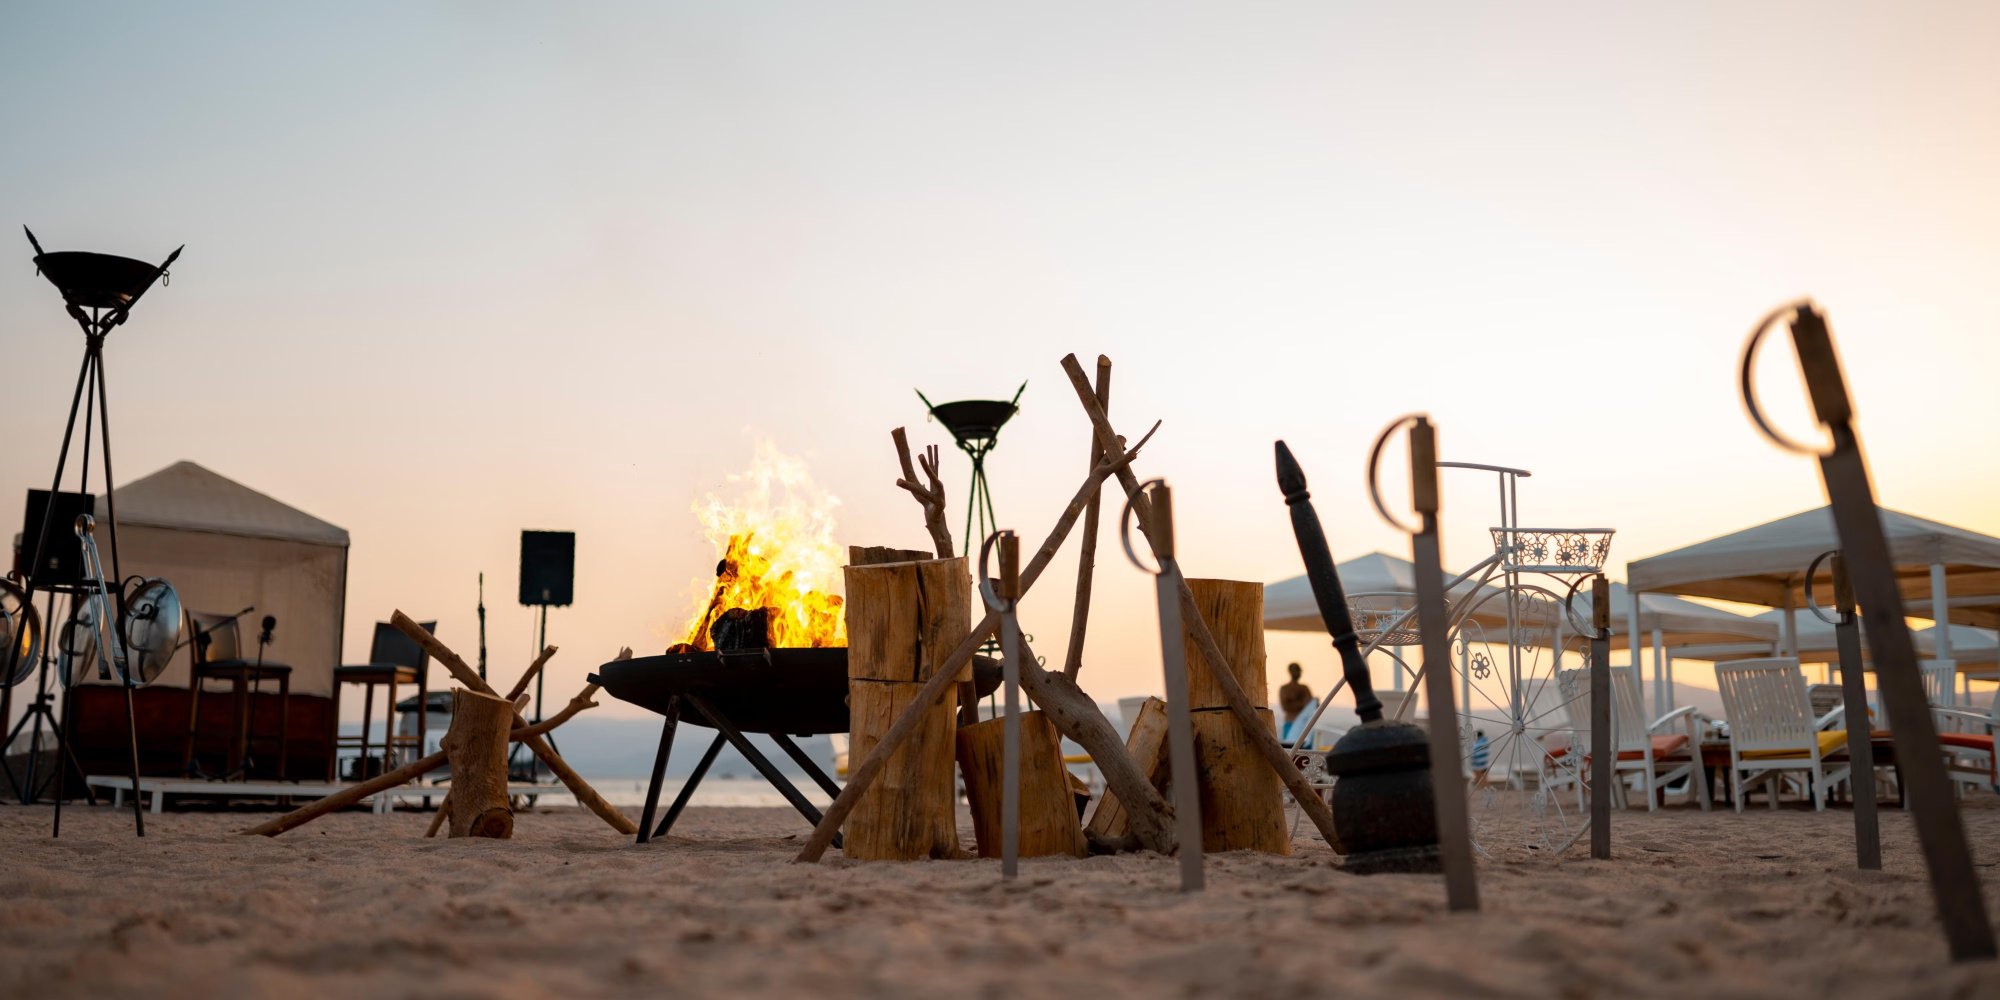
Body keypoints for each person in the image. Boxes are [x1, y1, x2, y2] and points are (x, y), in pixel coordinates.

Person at [1278, 663, 1314, 739]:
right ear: (1290, 671)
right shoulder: (1284, 688)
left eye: (1298, 670)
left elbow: (1311, 705)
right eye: (1296, 670)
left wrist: (1292, 701)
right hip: (1290, 724)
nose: (1298, 673)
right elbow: (1285, 707)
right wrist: (1301, 703)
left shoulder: (1304, 688)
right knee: (1290, 745)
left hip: (1303, 725)